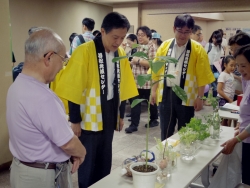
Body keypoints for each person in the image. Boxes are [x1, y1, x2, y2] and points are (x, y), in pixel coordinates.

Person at [54, 12, 138, 188]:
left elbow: (122, 86)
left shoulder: (120, 53)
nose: (118, 42)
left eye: (122, 38)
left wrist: (120, 115)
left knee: (105, 157)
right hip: (88, 113)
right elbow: (72, 87)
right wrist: (75, 120)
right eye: (115, 37)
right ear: (103, 31)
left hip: (109, 109)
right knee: (88, 159)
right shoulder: (84, 51)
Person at [6, 28, 86, 188]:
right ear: (49, 57)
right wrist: (81, 152)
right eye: (63, 60)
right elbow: (68, 143)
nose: (62, 66)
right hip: (42, 177)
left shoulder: (17, 85)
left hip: (21, 170)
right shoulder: (43, 97)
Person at [151, 14, 214, 140]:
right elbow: (155, 70)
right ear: (174, 28)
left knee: (185, 131)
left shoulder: (197, 49)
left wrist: (200, 97)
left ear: (191, 31)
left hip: (187, 94)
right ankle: (166, 156)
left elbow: (202, 75)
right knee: (166, 129)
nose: (183, 35)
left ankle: (183, 156)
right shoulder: (164, 46)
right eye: (180, 31)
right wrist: (153, 91)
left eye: (187, 32)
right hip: (166, 93)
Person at [221, 44, 250, 186]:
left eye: (243, 65)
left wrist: (236, 139)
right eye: (237, 65)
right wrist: (240, 125)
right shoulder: (248, 82)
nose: (239, 70)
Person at [125, 26, 159, 133]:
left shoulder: (151, 47)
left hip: (147, 81)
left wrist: (138, 61)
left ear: (148, 36)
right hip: (136, 81)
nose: (140, 37)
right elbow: (136, 62)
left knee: (151, 102)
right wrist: (131, 62)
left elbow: (153, 63)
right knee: (135, 103)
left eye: (142, 35)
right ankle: (134, 124)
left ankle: (154, 119)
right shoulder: (139, 47)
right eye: (138, 35)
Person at [205, 30, 224, 97]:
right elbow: (204, 56)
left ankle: (215, 99)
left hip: (216, 67)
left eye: (216, 38)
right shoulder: (209, 45)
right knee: (207, 84)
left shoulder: (219, 47)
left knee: (215, 84)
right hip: (208, 66)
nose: (214, 40)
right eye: (213, 38)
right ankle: (204, 100)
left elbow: (221, 57)